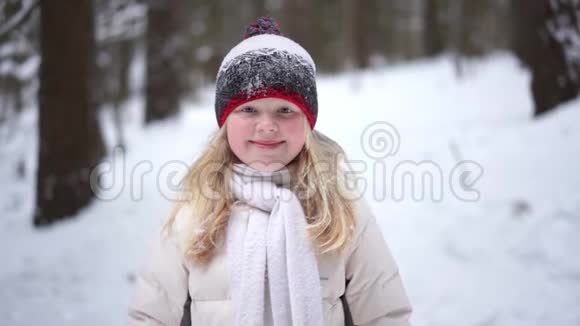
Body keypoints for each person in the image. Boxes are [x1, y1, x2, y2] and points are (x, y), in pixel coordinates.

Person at [128, 16, 412, 326]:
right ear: (225, 123)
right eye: (248, 109)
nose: (266, 126)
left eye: (285, 110)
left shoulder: (340, 208)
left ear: (307, 122)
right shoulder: (195, 208)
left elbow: (384, 313)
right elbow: (150, 315)